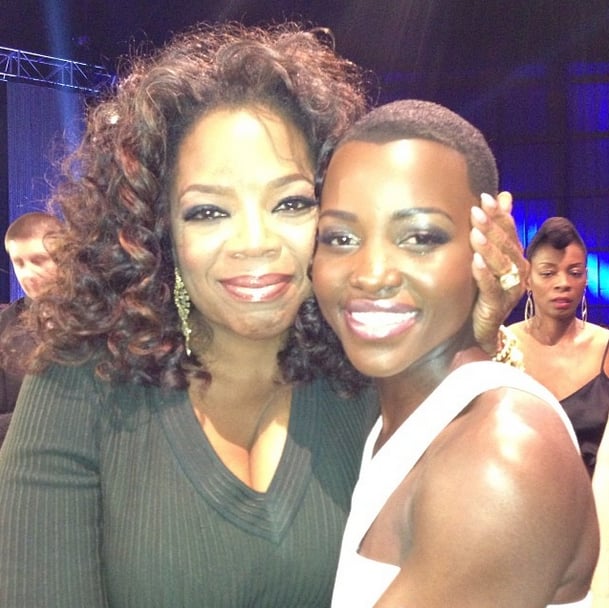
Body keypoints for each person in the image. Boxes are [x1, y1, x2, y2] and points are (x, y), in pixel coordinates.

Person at [0, 24, 525, 607]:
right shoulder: (82, 383)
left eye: (291, 203)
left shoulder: (371, 377)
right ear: (156, 231)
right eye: (207, 211)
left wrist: (461, 342)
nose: (255, 242)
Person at [311, 99, 599, 607]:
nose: (371, 272)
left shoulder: (501, 459)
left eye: (420, 237)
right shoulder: (402, 424)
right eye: (340, 237)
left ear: (490, 251)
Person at [507, 217, 609, 607]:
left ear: (586, 279)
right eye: (548, 273)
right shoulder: (500, 348)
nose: (563, 283)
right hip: (515, 527)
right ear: (528, 279)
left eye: (574, 272)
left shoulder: (605, 348)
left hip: (596, 527)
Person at [0, 211, 62, 446]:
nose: (27, 273)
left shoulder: (97, 319)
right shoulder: (4, 327)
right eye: (19, 263)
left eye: (38, 260)